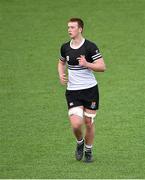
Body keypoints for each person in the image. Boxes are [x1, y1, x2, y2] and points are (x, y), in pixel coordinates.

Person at [58, 18, 106, 163]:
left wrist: (87, 63)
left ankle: (88, 150)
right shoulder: (65, 47)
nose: (69, 30)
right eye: (68, 27)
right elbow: (61, 62)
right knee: (76, 124)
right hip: (73, 91)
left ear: (80, 29)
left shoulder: (90, 47)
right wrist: (61, 74)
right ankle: (80, 142)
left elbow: (102, 67)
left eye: (72, 27)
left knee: (88, 122)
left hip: (90, 90)